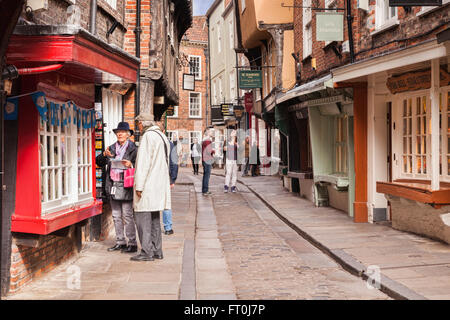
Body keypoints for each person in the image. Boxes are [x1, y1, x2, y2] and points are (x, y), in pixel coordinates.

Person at [132, 113, 171, 261]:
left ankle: (146, 252)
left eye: (138, 125)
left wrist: (139, 186)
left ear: (142, 123)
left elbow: (143, 163)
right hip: (159, 184)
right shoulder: (162, 136)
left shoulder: (148, 137)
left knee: (142, 219)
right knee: (155, 219)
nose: (138, 128)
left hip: (148, 184)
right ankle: (157, 250)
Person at [95, 122, 138, 253]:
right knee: (116, 215)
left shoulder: (134, 149)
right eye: (118, 132)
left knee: (127, 215)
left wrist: (131, 164)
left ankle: (132, 243)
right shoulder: (111, 148)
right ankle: (120, 242)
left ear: (128, 134)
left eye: (123, 132)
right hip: (113, 184)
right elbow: (99, 162)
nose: (119, 134)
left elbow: (140, 166)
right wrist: (104, 154)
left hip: (126, 184)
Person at [162, 126, 179, 235]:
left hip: (161, 178)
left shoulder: (169, 144)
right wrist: (172, 179)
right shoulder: (170, 144)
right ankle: (168, 228)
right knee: (165, 203)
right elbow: (174, 163)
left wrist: (172, 179)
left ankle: (167, 227)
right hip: (165, 178)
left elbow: (174, 163)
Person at [202, 128, 215, 196]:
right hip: (207, 159)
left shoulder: (205, 140)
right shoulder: (208, 140)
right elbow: (208, 151)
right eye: (210, 132)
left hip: (204, 159)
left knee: (205, 175)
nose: (212, 133)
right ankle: (205, 190)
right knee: (207, 176)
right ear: (207, 133)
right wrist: (213, 151)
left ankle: (204, 189)